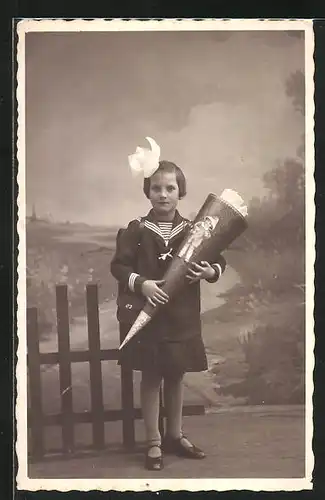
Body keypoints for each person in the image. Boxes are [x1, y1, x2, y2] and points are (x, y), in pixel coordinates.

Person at [110, 159, 226, 471]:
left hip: (181, 317)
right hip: (148, 316)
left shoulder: (194, 231)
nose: (163, 194)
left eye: (170, 188)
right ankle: (153, 442)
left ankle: (175, 435)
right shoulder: (136, 230)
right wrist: (143, 284)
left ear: (181, 192)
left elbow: (219, 260)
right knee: (151, 377)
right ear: (147, 191)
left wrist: (209, 270)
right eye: (157, 188)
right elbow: (119, 267)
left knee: (176, 375)